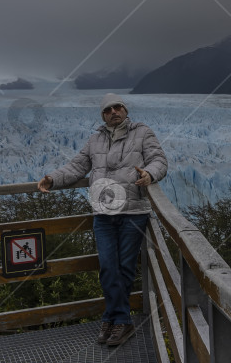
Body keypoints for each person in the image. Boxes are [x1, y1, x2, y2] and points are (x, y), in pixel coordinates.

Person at [38, 93, 168, 346]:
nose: (113, 112)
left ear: (125, 109)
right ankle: (120, 319)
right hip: (104, 213)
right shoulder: (95, 140)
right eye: (108, 109)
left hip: (133, 212)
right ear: (103, 115)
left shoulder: (142, 132)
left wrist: (150, 174)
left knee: (125, 268)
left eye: (117, 107)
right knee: (108, 266)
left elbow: (159, 160)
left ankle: (115, 319)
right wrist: (52, 179)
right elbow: (77, 167)